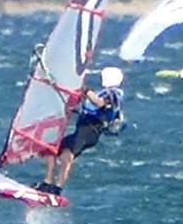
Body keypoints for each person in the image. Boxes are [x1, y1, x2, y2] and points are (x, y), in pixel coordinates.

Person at [38, 66, 126, 195]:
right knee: (51, 149)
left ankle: (56, 187)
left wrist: (86, 90)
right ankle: (47, 183)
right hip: (84, 131)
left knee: (67, 156)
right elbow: (91, 108)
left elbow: (99, 103)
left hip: (89, 132)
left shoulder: (113, 94)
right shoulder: (107, 92)